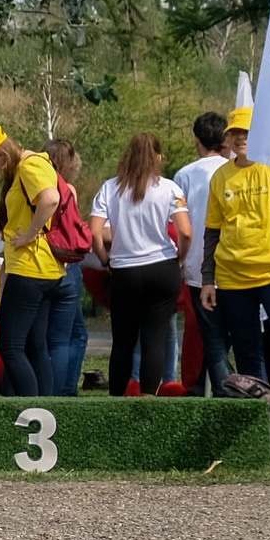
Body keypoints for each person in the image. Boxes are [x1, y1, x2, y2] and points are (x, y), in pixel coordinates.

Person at [198, 107, 270, 389]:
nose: (241, 138)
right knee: (248, 352)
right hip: (233, 279)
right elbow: (212, 231)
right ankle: (261, 412)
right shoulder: (221, 177)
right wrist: (207, 280)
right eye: (235, 132)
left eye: (247, 132)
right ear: (227, 139)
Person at [90, 133, 192, 397]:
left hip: (125, 270)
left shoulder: (110, 188)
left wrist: (104, 258)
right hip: (162, 267)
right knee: (154, 337)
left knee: (123, 340)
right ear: (157, 157)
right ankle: (148, 398)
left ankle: (116, 399)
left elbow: (94, 232)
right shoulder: (171, 188)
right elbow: (186, 231)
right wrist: (180, 257)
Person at [0, 124, 70, 400]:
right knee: (34, 344)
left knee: (9, 346)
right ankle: (45, 409)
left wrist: (29, 234)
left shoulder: (29, 166)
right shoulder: (26, 167)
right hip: (41, 269)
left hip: (31, 268)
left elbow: (50, 199)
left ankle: (31, 409)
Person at [174, 111, 230, 394]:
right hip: (233, 263)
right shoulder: (234, 169)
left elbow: (177, 220)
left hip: (197, 264)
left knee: (205, 335)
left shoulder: (184, 175)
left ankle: (205, 385)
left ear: (197, 140)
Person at [43, 139, 96, 395]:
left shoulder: (36, 187)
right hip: (66, 263)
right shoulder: (67, 189)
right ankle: (64, 390)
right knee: (73, 335)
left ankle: (49, 387)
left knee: (49, 333)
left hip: (41, 262)